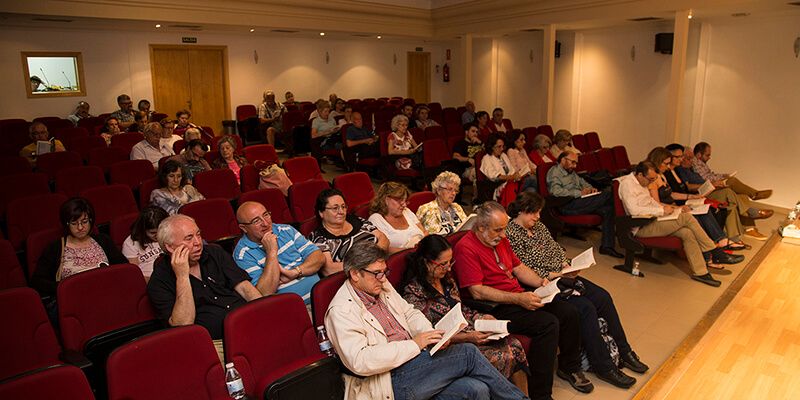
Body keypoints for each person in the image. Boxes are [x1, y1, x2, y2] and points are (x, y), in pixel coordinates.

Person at [325, 241, 529, 400]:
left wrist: (431, 336)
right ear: (354, 274)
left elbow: (410, 312)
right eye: (376, 273)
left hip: (415, 363)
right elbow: (361, 361)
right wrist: (415, 344)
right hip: (387, 382)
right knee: (467, 352)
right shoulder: (341, 310)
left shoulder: (379, 285)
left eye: (384, 271)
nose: (383, 277)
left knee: (476, 389)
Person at [505, 192, 649, 387]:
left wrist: (567, 265)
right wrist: (558, 275)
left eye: (539, 213)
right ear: (522, 211)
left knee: (603, 297)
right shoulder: (511, 233)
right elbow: (525, 268)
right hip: (544, 283)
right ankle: (604, 366)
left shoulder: (538, 227)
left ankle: (625, 351)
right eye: (534, 213)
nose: (538, 217)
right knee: (585, 308)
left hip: (562, 275)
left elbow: (555, 248)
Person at [452, 201, 593, 397]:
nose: (503, 234)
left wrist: (540, 283)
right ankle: (540, 393)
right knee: (548, 324)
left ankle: (569, 367)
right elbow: (477, 291)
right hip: (494, 305)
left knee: (568, 311)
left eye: (504, 229)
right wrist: (519, 299)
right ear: (481, 227)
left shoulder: (500, 240)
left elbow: (518, 268)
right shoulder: (465, 247)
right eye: (498, 230)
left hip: (517, 294)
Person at [400, 235, 530, 394]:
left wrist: (482, 318)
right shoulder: (413, 293)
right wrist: (468, 337)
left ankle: (524, 396)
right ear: (426, 262)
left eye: (450, 262)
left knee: (514, 344)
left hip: (469, 331)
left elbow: (462, 310)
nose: (449, 268)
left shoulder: (446, 279)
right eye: (443, 264)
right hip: (448, 345)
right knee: (501, 356)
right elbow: (429, 335)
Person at [147, 214, 262, 360]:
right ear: (170, 247)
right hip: (213, 343)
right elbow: (183, 325)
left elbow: (245, 288)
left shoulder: (214, 252)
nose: (198, 242)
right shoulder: (159, 281)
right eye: (189, 238)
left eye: (198, 234)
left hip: (246, 324)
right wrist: (182, 276)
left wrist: (263, 314)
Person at [616, 162, 742, 287]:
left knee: (687, 232)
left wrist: (673, 208)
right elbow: (633, 210)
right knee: (686, 218)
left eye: (654, 179)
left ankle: (701, 272)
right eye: (650, 179)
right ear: (639, 175)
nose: (651, 182)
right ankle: (715, 251)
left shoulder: (642, 182)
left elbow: (651, 203)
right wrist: (661, 211)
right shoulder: (627, 184)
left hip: (653, 220)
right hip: (641, 226)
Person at [648, 147, 748, 254]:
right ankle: (714, 248)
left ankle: (720, 242)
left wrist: (691, 197)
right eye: (666, 163)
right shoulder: (653, 178)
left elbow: (672, 194)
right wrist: (678, 207)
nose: (668, 167)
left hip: (673, 206)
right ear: (658, 161)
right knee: (698, 214)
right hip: (665, 211)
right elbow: (656, 203)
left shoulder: (662, 175)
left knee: (705, 210)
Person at [32, 197, 127, 298]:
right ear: (66, 224)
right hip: (75, 298)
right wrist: (67, 287)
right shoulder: (55, 248)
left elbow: (123, 267)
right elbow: (38, 281)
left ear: (91, 220)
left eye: (84, 222)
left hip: (107, 292)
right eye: (74, 223)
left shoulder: (103, 240)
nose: (80, 227)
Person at [233, 201, 324, 307]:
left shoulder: (286, 230)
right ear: (243, 228)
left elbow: (319, 258)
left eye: (266, 215)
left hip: (320, 298)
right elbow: (264, 293)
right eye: (256, 221)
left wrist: (296, 272)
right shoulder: (242, 255)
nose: (266, 224)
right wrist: (271, 252)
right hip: (291, 311)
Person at [671, 144, 769, 240]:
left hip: (708, 189)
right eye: (687, 158)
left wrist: (718, 181)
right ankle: (749, 209)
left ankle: (747, 230)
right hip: (701, 193)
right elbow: (689, 186)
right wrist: (712, 185)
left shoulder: (691, 168)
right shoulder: (682, 169)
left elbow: (709, 176)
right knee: (728, 191)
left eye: (690, 158)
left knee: (740, 196)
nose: (691, 161)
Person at [546, 151, 623, 258]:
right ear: (563, 160)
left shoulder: (571, 172)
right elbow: (556, 192)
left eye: (576, 163)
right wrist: (579, 193)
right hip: (567, 205)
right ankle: (625, 229)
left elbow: (583, 182)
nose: (575, 166)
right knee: (609, 195)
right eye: (572, 162)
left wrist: (590, 189)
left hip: (580, 202)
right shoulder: (554, 172)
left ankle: (607, 246)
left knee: (608, 209)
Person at [309, 189, 389, 276]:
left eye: (343, 207)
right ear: (321, 212)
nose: (341, 212)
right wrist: (368, 262)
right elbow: (329, 269)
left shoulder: (356, 220)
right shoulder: (319, 237)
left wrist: (370, 259)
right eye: (335, 208)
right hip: (354, 279)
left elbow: (383, 238)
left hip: (381, 268)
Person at [692, 142, 772, 201]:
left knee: (742, 195)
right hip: (706, 188)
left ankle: (752, 201)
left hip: (711, 184)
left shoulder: (702, 163)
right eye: (707, 155)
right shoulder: (696, 163)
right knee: (732, 181)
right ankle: (754, 194)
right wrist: (723, 178)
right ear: (699, 154)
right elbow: (706, 178)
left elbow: (710, 175)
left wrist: (724, 176)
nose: (709, 157)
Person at [368, 182, 427, 254]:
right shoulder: (376, 219)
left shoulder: (406, 211)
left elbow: (424, 232)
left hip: (423, 253)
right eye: (400, 201)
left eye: (405, 201)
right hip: (403, 259)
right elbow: (382, 249)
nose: (404, 205)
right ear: (386, 200)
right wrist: (413, 251)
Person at [122, 206, 169, 281]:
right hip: (149, 281)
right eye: (153, 233)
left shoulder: (169, 233)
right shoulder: (130, 243)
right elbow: (135, 275)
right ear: (143, 230)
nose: (158, 235)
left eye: (161, 230)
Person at [416, 171, 468, 235]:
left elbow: (466, 227)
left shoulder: (457, 207)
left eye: (455, 190)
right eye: (450, 189)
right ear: (439, 191)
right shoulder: (426, 209)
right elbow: (416, 233)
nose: (454, 193)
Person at [480, 134, 519, 205]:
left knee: (529, 186)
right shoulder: (487, 158)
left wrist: (516, 175)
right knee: (512, 186)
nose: (502, 149)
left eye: (503, 146)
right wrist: (510, 177)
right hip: (496, 186)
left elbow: (512, 170)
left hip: (509, 182)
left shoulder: (503, 155)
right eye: (499, 146)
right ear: (492, 147)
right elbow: (494, 176)